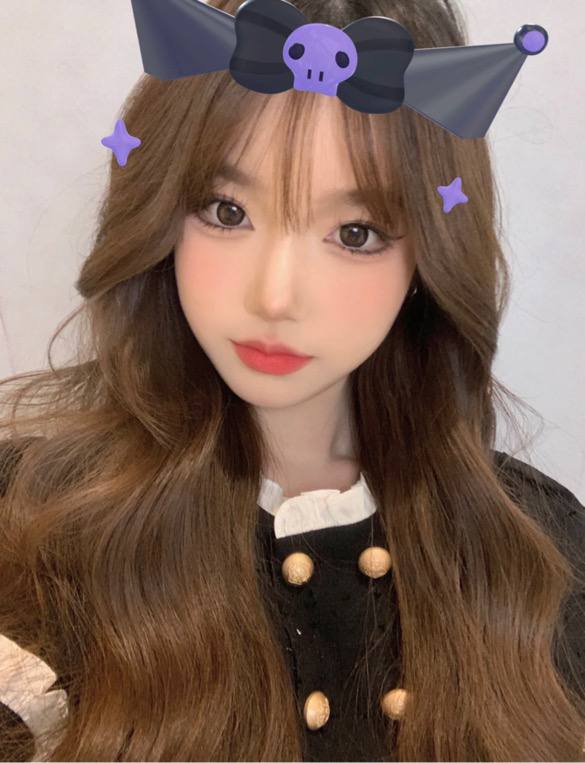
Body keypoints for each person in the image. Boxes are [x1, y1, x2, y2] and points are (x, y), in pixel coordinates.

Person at [0, 0, 583, 760]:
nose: (275, 296)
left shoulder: (536, 546)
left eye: (355, 233)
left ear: (427, 261)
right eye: (226, 211)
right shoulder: (31, 522)